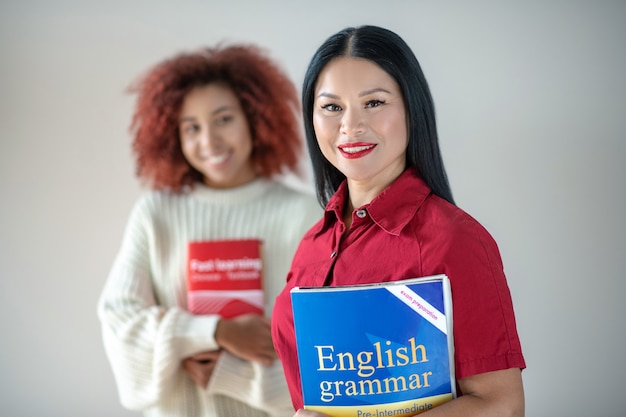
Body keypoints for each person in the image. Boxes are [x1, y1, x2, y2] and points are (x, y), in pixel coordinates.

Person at [271, 25, 526, 417]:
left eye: (373, 103)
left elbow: (501, 405)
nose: (350, 126)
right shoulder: (313, 244)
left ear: (412, 107)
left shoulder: (455, 241)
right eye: (332, 106)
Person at [98, 43, 322, 417]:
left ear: (255, 117)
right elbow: (120, 322)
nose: (210, 141)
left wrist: (229, 374)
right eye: (192, 127)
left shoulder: (303, 215)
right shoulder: (156, 213)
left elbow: (327, 354)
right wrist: (214, 332)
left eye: (223, 119)